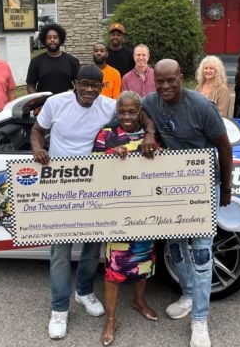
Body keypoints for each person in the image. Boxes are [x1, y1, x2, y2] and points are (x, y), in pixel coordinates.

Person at [30, 65, 157, 340]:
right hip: (61, 185)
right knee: (61, 251)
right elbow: (37, 131)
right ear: (75, 83)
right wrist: (38, 148)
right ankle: (59, 309)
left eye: (95, 86)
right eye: (84, 84)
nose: (89, 90)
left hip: (96, 186)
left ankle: (84, 292)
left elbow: (139, 113)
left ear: (102, 87)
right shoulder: (56, 103)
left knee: (91, 247)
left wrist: (148, 133)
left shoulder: (109, 105)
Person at [142, 59, 233, 347]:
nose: (166, 86)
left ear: (182, 78)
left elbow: (224, 147)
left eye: (172, 80)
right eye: (160, 81)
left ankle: (200, 320)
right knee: (175, 246)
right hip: (173, 186)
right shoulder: (151, 102)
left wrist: (227, 187)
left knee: (202, 253)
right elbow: (138, 110)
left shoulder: (201, 106)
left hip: (205, 185)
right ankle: (190, 294)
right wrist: (149, 131)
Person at [93, 91, 158, 346]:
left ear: (140, 112)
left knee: (143, 261)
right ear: (116, 112)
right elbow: (92, 165)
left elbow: (163, 165)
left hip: (144, 210)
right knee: (114, 268)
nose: (127, 116)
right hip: (116, 212)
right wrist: (111, 153)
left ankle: (138, 301)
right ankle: (111, 318)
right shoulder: (106, 134)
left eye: (132, 111)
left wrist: (151, 149)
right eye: (122, 112)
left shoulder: (149, 135)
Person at [26, 22, 79, 94]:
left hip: (67, 103)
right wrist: (39, 102)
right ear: (44, 40)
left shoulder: (72, 60)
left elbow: (78, 83)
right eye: (49, 37)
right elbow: (30, 86)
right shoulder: (36, 61)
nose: (52, 40)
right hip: (44, 103)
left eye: (55, 37)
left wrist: (74, 93)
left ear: (60, 39)